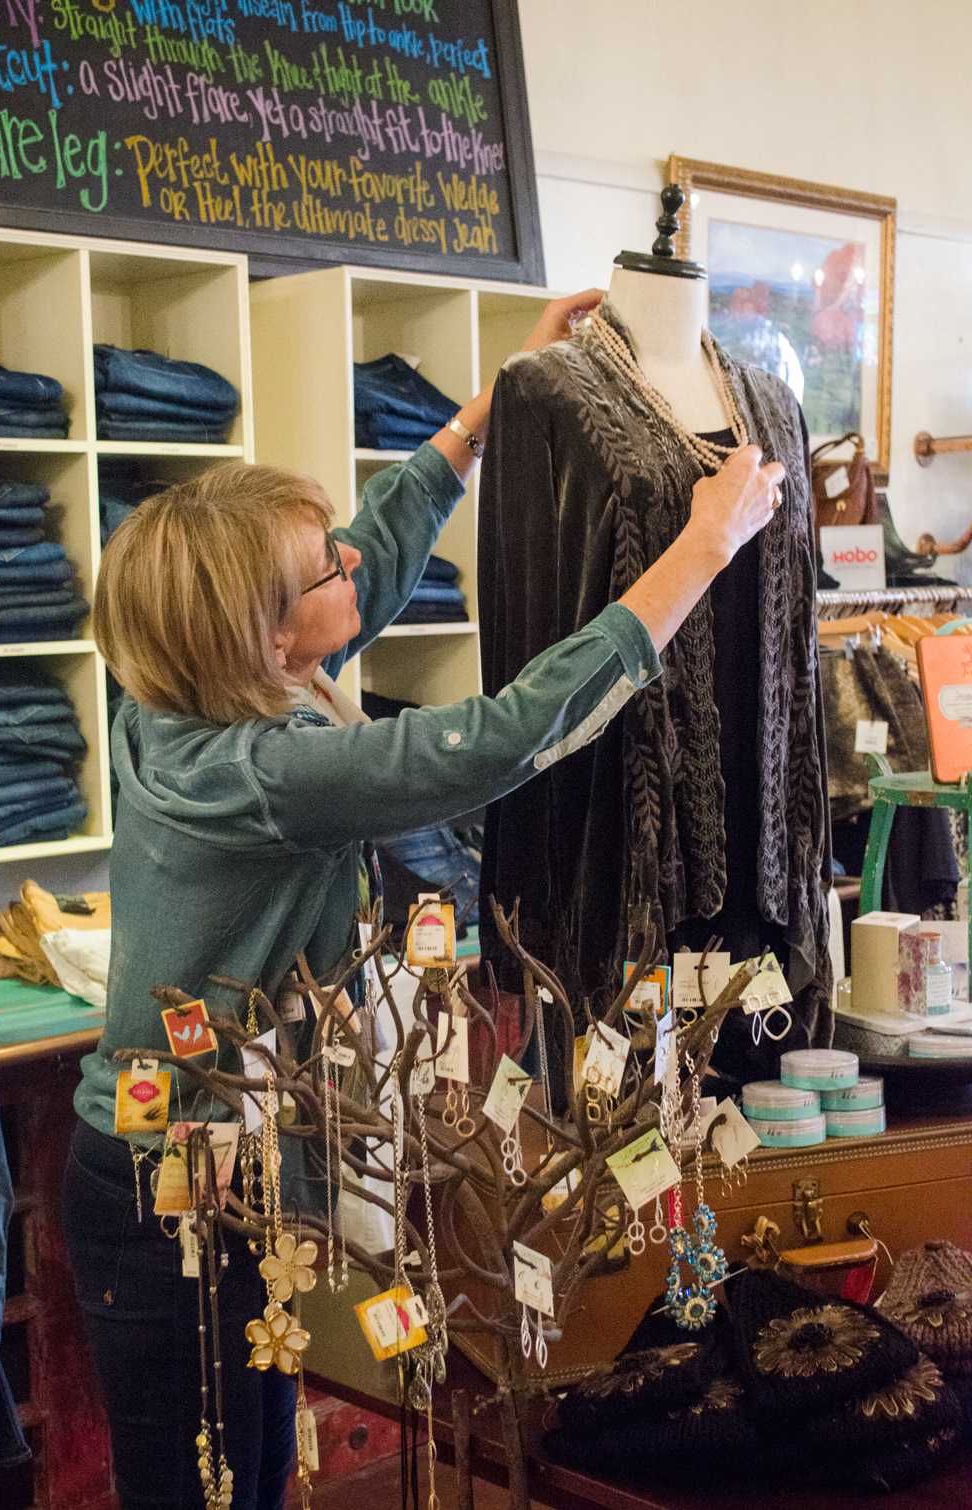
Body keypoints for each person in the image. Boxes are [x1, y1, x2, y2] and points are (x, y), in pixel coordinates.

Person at [62, 289, 785, 1510]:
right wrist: (703, 547)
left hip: (232, 1164)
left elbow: (374, 556)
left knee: (245, 1472)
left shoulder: (192, 695)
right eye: (320, 572)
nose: (352, 563)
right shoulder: (261, 771)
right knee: (200, 1489)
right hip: (171, 1187)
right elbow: (495, 740)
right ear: (265, 635)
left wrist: (477, 423)